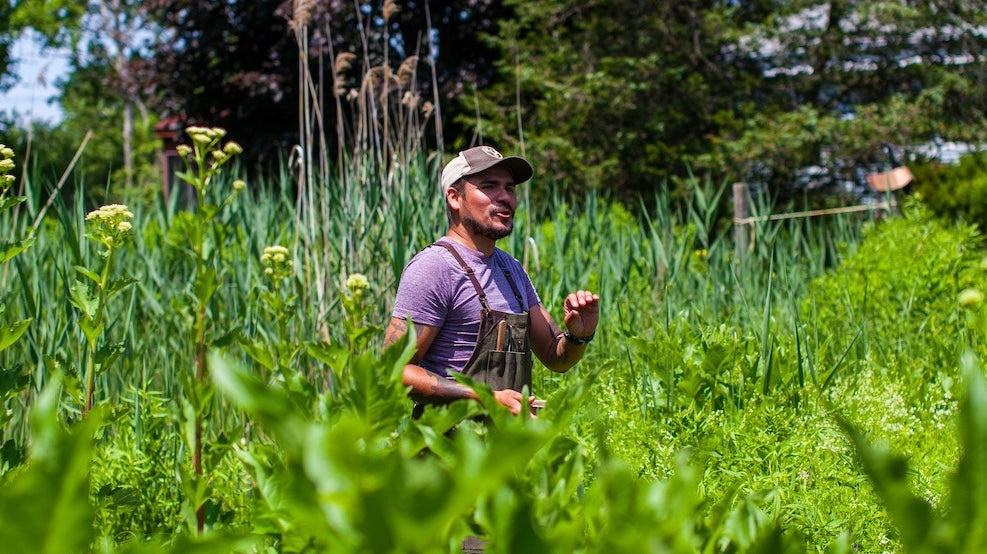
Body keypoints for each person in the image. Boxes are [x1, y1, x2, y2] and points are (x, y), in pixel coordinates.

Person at [384, 145, 600, 417]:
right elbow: (394, 370)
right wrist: (483, 398)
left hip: (506, 448)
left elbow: (555, 357)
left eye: (509, 188)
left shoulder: (512, 270)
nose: (505, 197)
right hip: (448, 447)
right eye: (489, 187)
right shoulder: (434, 267)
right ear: (454, 197)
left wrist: (579, 336)